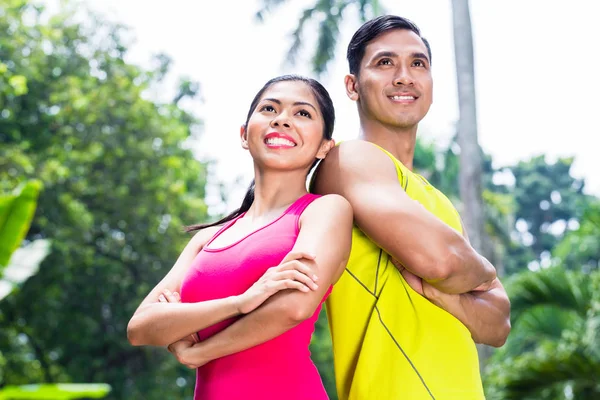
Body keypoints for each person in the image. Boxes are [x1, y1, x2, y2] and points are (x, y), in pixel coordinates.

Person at [310, 15, 511, 400]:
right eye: (385, 63)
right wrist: (484, 276)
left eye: (418, 63)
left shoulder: (436, 200)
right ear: (353, 85)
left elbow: (499, 324)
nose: (405, 77)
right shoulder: (349, 160)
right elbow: (442, 261)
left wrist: (448, 294)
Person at [127, 74, 353, 400]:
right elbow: (140, 327)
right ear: (245, 135)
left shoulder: (325, 211)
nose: (282, 120)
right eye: (269, 108)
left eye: (302, 113)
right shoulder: (208, 238)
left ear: (323, 147)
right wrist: (241, 302)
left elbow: (294, 305)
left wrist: (199, 351)